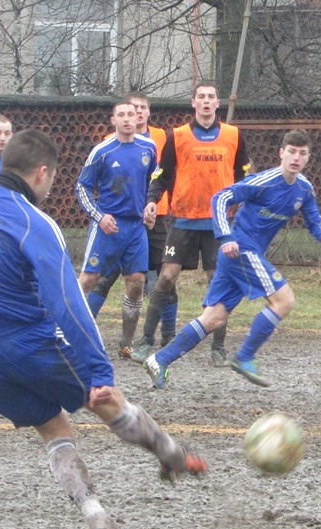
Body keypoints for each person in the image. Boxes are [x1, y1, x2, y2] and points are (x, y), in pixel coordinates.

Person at [0, 129, 207, 529]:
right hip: (25, 340)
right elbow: (68, 301)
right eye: (52, 180)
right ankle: (170, 452)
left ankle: (99, 521)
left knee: (52, 426)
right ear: (42, 173)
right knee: (104, 399)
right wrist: (99, 369)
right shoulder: (34, 220)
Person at [144, 129, 321, 389]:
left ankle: (159, 359)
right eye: (291, 151)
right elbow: (221, 197)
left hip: (243, 255)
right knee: (284, 300)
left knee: (213, 318)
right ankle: (245, 357)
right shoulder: (265, 181)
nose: (296, 157)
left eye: (302, 153)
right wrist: (225, 237)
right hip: (241, 250)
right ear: (281, 153)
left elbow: (314, 218)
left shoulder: (303, 189)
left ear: (308, 158)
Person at [131, 80, 251, 368]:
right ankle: (146, 339)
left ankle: (218, 348)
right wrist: (151, 199)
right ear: (193, 103)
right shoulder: (179, 136)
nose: (206, 102)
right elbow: (162, 173)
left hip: (219, 223)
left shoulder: (233, 135)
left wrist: (247, 202)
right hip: (184, 218)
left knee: (218, 282)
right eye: (201, 97)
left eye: (211, 97)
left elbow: (244, 175)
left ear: (217, 103)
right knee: (167, 277)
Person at [87, 92, 178, 348]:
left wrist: (155, 203)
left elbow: (163, 174)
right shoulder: (108, 144)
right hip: (117, 221)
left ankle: (166, 334)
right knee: (104, 278)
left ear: (148, 113)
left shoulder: (159, 138)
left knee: (163, 276)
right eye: (130, 109)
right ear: (117, 117)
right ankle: (82, 329)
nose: (135, 113)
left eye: (141, 108)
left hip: (154, 218)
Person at [75, 101, 157, 358]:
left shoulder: (149, 148)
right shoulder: (102, 151)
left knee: (136, 283)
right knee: (89, 280)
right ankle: (68, 334)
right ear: (113, 120)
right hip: (108, 227)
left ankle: (125, 343)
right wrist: (99, 217)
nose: (127, 119)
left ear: (139, 117)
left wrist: (149, 207)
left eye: (131, 114)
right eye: (121, 115)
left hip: (135, 228)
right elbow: (82, 187)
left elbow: (152, 182)